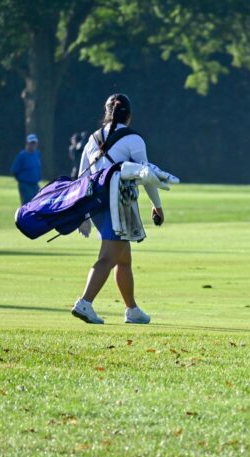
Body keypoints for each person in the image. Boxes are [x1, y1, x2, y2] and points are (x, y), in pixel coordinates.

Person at [71, 93, 165, 325]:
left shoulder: (92, 139)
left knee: (123, 259)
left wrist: (82, 214)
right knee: (108, 258)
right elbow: (147, 175)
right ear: (129, 116)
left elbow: (81, 177)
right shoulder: (134, 139)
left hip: (97, 204)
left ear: (107, 113)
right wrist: (157, 206)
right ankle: (85, 303)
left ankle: (132, 310)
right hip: (119, 206)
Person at [11, 134, 42, 204]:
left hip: (35, 185)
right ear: (27, 144)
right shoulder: (22, 155)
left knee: (37, 203)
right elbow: (14, 170)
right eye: (31, 143)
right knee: (27, 204)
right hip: (25, 185)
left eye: (34, 143)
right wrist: (22, 180)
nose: (33, 145)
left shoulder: (37, 154)